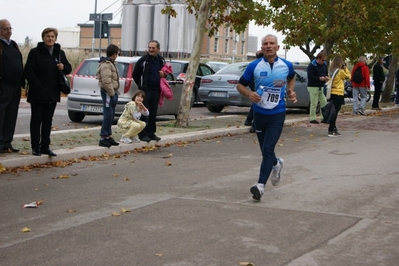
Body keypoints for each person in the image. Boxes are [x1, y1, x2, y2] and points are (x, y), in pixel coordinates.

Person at [236, 34, 297, 201]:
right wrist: (249, 93)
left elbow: (292, 77)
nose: (269, 46)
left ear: (277, 47)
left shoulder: (286, 65)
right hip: (259, 113)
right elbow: (240, 85)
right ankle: (276, 164)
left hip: (277, 113)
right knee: (265, 151)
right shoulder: (254, 66)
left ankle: (260, 186)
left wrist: (290, 91)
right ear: (262, 48)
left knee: (268, 149)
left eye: (272, 43)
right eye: (265, 44)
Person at [24, 27, 71, 156]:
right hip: (38, 93)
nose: (50, 39)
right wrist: (37, 85)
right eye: (47, 36)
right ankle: (35, 147)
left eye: (52, 36)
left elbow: (68, 68)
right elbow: (29, 70)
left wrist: (64, 67)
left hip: (52, 92)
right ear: (43, 38)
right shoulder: (35, 52)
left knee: (47, 120)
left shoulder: (59, 53)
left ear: (55, 38)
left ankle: (45, 146)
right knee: (36, 120)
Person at [133, 40, 165, 142]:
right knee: (143, 112)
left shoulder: (161, 60)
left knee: (152, 113)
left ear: (158, 49)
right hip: (146, 90)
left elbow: (166, 72)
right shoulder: (143, 60)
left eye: (153, 48)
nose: (151, 50)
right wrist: (141, 85)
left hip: (156, 90)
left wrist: (164, 74)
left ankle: (151, 133)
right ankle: (142, 134)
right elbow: (135, 74)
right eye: (149, 48)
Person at [0, 19, 24, 153]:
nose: (9, 31)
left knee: (11, 115)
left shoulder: (13, 45)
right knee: (1, 114)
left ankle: (7, 143)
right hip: (4, 86)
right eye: (5, 29)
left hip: (15, 86)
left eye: (10, 28)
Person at [97, 44, 121, 148]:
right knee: (108, 114)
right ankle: (103, 137)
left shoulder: (111, 63)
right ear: (114, 54)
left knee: (111, 114)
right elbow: (107, 81)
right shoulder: (106, 64)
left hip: (113, 92)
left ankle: (107, 136)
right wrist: (111, 93)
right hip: (108, 92)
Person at [327, 56, 350, 137]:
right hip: (338, 93)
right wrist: (345, 68)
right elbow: (348, 77)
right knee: (335, 112)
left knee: (333, 111)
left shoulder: (331, 71)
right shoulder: (340, 71)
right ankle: (331, 129)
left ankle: (334, 128)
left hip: (332, 92)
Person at [244, 49, 264, 133]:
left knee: (255, 105)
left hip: (254, 86)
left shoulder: (253, 64)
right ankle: (254, 125)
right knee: (258, 106)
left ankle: (248, 121)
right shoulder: (262, 65)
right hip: (259, 87)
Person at [307, 51, 329, 124]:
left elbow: (326, 73)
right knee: (314, 103)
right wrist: (319, 78)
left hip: (321, 86)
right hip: (313, 86)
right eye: (322, 60)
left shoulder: (324, 65)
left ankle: (324, 117)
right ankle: (312, 118)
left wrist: (326, 77)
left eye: (324, 60)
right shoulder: (312, 65)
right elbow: (310, 76)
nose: (323, 61)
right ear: (318, 58)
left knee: (324, 102)